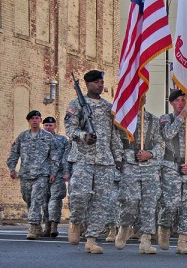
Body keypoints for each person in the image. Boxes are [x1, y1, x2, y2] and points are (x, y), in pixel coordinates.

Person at [64, 70, 123, 254]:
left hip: (105, 160)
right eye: (96, 82)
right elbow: (70, 129)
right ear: (87, 84)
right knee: (79, 194)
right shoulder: (76, 105)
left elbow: (114, 135)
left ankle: (91, 239)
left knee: (101, 201)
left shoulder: (108, 107)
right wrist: (83, 135)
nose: (100, 85)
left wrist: (118, 157)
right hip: (83, 158)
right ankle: (75, 221)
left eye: (101, 82)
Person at [157, 89, 187, 255]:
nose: (181, 103)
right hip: (171, 167)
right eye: (177, 100)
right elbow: (167, 135)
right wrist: (180, 118)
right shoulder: (165, 119)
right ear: (171, 103)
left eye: (184, 100)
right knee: (170, 204)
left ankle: (182, 241)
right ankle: (164, 227)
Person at [115, 96, 163, 254]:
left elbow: (160, 143)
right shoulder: (124, 119)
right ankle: (124, 226)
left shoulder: (154, 120)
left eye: (142, 96)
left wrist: (150, 153)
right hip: (130, 165)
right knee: (130, 201)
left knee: (149, 205)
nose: (140, 99)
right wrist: (119, 158)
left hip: (149, 167)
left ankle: (146, 240)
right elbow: (115, 141)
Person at [6, 110, 58, 240]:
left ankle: (33, 227)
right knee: (28, 199)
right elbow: (14, 153)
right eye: (32, 119)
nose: (34, 120)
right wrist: (12, 168)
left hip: (41, 174)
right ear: (28, 121)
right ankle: (37, 224)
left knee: (36, 200)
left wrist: (52, 172)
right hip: (25, 174)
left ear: (40, 120)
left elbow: (54, 156)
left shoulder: (48, 137)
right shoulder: (22, 136)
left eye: (36, 118)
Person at [41, 116, 70, 237]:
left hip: (58, 174)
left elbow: (66, 157)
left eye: (50, 125)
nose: (48, 127)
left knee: (55, 200)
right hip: (42, 174)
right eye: (46, 125)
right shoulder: (39, 139)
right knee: (44, 201)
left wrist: (66, 172)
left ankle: (54, 225)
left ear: (55, 126)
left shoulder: (62, 140)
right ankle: (46, 226)